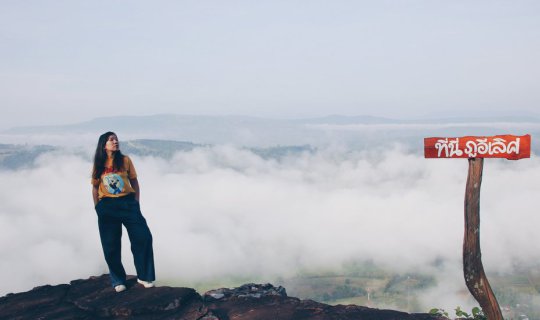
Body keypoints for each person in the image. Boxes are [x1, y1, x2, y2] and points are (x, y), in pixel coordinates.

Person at [91, 131, 156, 292]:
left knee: (143, 237)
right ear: (103, 145)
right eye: (111, 140)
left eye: (116, 139)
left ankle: (145, 276)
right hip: (106, 206)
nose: (115, 142)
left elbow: (134, 181)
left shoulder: (125, 160)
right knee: (110, 244)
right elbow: (94, 187)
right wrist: (97, 207)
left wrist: (136, 202)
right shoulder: (99, 163)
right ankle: (118, 279)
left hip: (128, 203)